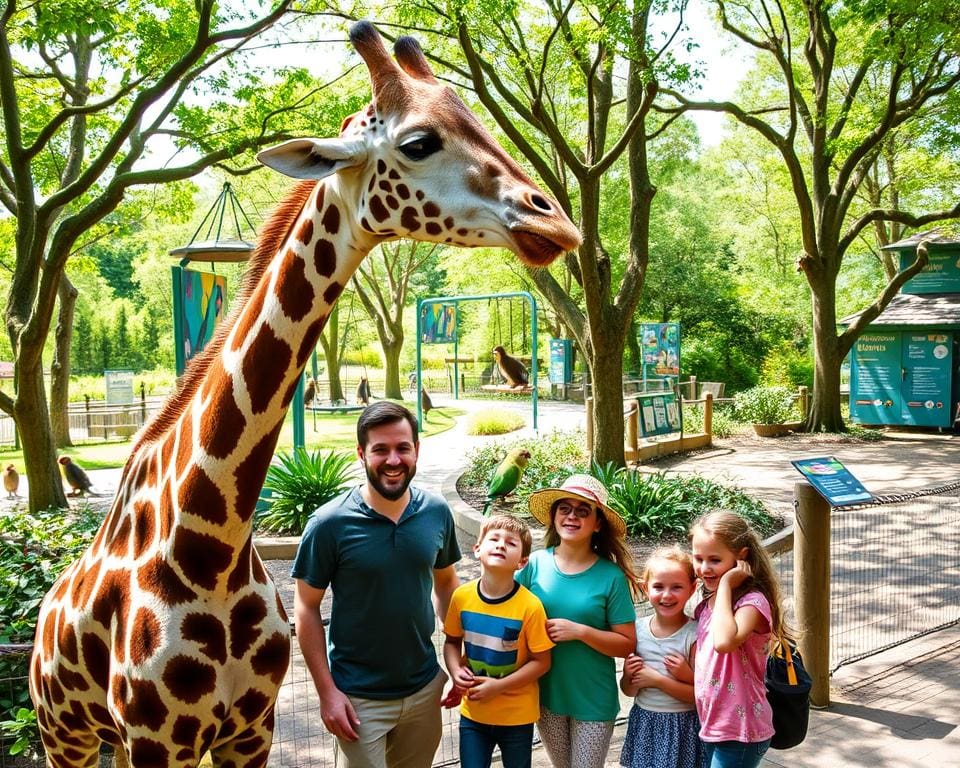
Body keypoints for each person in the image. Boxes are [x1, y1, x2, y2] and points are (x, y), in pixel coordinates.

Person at [291, 401, 461, 768]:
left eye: (403, 448)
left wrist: (460, 654)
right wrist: (327, 693)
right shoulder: (329, 524)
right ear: (361, 454)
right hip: (357, 699)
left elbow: (447, 584)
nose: (393, 460)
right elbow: (305, 607)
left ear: (417, 450)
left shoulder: (436, 511)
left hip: (424, 689)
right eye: (380, 449)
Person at [518, 474, 639, 768]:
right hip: (546, 695)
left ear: (597, 523)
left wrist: (581, 632)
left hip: (593, 699)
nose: (572, 516)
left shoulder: (611, 576)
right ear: (554, 516)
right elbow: (507, 610)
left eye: (583, 511)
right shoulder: (534, 564)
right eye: (565, 509)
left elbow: (626, 644)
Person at [443, 514, 554, 768]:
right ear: (477, 549)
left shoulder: (530, 607)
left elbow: (542, 662)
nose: (501, 545)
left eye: (511, 543)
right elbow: (451, 642)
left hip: (517, 716)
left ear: (522, 562)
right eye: (494, 538)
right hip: (473, 712)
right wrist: (455, 670)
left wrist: (498, 687)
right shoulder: (461, 597)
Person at [689, 510, 789, 768]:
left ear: (741, 556)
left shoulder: (752, 603)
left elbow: (724, 642)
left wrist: (725, 585)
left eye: (714, 560)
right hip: (715, 722)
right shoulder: (708, 603)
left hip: (742, 729)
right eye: (698, 558)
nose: (703, 568)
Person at [619, 547, 704, 768]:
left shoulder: (694, 634)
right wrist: (628, 676)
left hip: (683, 725)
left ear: (692, 588)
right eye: (658, 587)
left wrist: (662, 679)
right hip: (645, 721)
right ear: (645, 588)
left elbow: (699, 696)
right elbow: (629, 690)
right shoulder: (636, 631)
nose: (667, 595)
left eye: (677, 587)